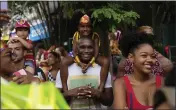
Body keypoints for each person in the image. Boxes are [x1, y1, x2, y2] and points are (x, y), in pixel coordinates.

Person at [56, 37, 113, 109]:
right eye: (82, 47)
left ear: (94, 50)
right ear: (76, 50)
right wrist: (69, 93)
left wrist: (97, 93)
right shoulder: (64, 70)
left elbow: (109, 101)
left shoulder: (102, 70)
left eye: (90, 47)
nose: (86, 51)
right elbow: (55, 100)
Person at [113, 32, 164, 110]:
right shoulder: (121, 84)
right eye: (144, 55)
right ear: (131, 57)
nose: (150, 60)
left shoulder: (162, 83)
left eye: (153, 56)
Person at [60, 14, 110, 93]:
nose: (85, 29)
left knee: (106, 61)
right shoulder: (76, 35)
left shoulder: (95, 36)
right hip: (78, 56)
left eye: (88, 26)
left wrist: (89, 64)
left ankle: (101, 87)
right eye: (82, 26)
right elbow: (74, 51)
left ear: (91, 28)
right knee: (63, 62)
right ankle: (65, 89)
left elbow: (96, 53)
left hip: (93, 56)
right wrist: (80, 63)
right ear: (78, 28)